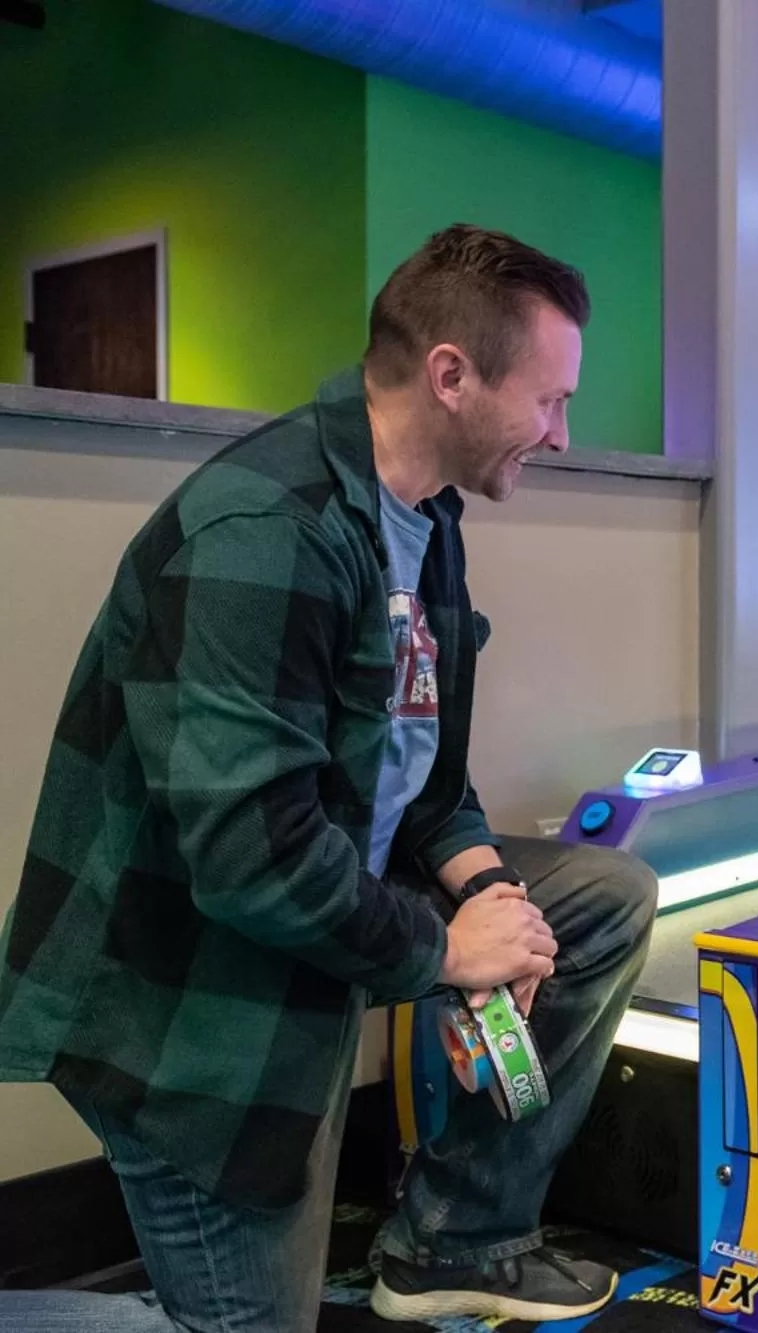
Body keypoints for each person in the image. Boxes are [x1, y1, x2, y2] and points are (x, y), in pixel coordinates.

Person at [0, 224, 656, 1329]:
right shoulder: (262, 529)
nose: (560, 431)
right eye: (548, 401)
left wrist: (491, 895)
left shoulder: (425, 519)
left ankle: (461, 1234)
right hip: (187, 1000)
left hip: (317, 910)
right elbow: (252, 859)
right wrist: (448, 949)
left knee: (599, 902)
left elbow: (425, 778)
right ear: (450, 375)